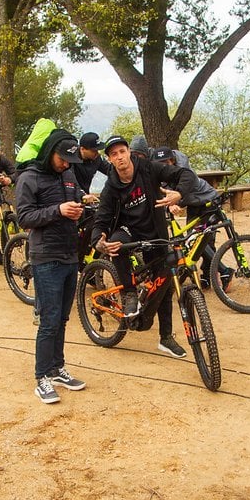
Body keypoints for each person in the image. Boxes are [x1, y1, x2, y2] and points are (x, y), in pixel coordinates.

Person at [91, 135, 191, 360]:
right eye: (113, 154)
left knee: (163, 283)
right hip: (128, 231)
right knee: (117, 244)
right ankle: (128, 292)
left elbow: (183, 173)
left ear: (129, 152)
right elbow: (102, 220)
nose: (119, 157)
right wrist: (100, 239)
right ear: (110, 159)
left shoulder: (148, 169)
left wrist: (179, 193)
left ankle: (166, 338)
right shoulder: (111, 187)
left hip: (156, 233)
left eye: (122, 151)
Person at [14, 128, 88, 404]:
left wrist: (79, 207)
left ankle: (57, 368)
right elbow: (24, 217)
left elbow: (75, 198)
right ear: (50, 151)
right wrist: (58, 211)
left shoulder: (68, 175)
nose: (66, 165)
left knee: (63, 318)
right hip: (45, 258)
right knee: (49, 320)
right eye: (63, 159)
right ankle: (42, 376)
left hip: (70, 254)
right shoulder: (29, 178)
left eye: (70, 161)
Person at [151, 146, 231, 288]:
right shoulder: (164, 175)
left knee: (201, 240)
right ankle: (208, 276)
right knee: (196, 241)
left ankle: (223, 271)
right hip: (194, 206)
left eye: (166, 162)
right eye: (159, 164)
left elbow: (182, 189)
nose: (163, 166)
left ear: (172, 161)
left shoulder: (184, 173)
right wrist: (169, 204)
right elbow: (164, 192)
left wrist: (175, 202)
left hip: (209, 203)